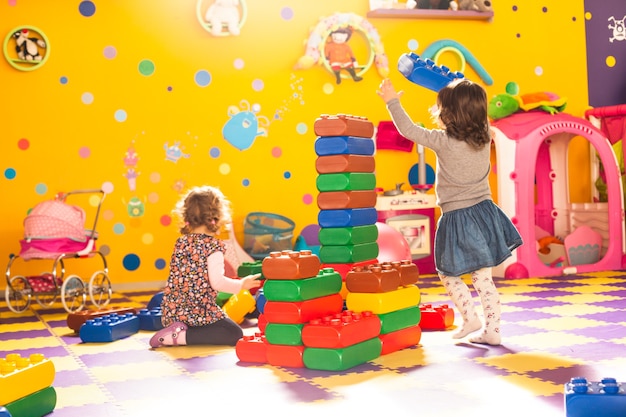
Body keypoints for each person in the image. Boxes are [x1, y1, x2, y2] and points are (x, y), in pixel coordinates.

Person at [377, 78, 522, 346]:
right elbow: (470, 102)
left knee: (448, 273)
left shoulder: (443, 140)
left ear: (449, 114)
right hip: (485, 214)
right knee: (483, 279)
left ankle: (470, 318)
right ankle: (493, 329)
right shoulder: (486, 135)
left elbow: (408, 129)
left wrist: (391, 102)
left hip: (457, 217)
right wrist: (457, 85)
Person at [150, 185, 261, 348]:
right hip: (198, 313)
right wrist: (241, 284)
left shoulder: (181, 243)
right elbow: (217, 282)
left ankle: (178, 330)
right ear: (217, 217)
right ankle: (179, 337)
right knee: (234, 334)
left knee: (223, 321)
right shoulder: (212, 247)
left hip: (172, 312)